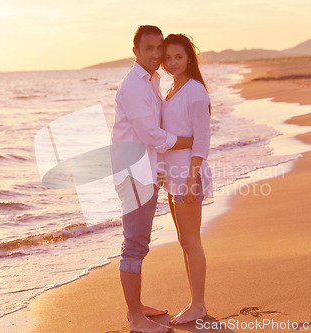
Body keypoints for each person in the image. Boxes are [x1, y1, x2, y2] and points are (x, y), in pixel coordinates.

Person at [111, 25, 193, 333]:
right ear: (136, 51)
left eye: (159, 48)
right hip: (134, 174)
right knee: (134, 244)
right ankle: (135, 318)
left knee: (140, 242)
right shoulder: (134, 87)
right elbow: (150, 134)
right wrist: (188, 141)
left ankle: (137, 306)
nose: (156, 54)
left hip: (145, 171)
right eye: (149, 49)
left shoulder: (151, 81)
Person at [160, 33, 212, 325]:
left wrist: (191, 179)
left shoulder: (195, 91)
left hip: (188, 176)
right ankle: (195, 302)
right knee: (184, 241)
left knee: (191, 241)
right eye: (168, 58)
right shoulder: (172, 89)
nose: (172, 62)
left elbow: (202, 140)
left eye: (178, 57)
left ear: (189, 58)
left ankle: (198, 304)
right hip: (173, 176)